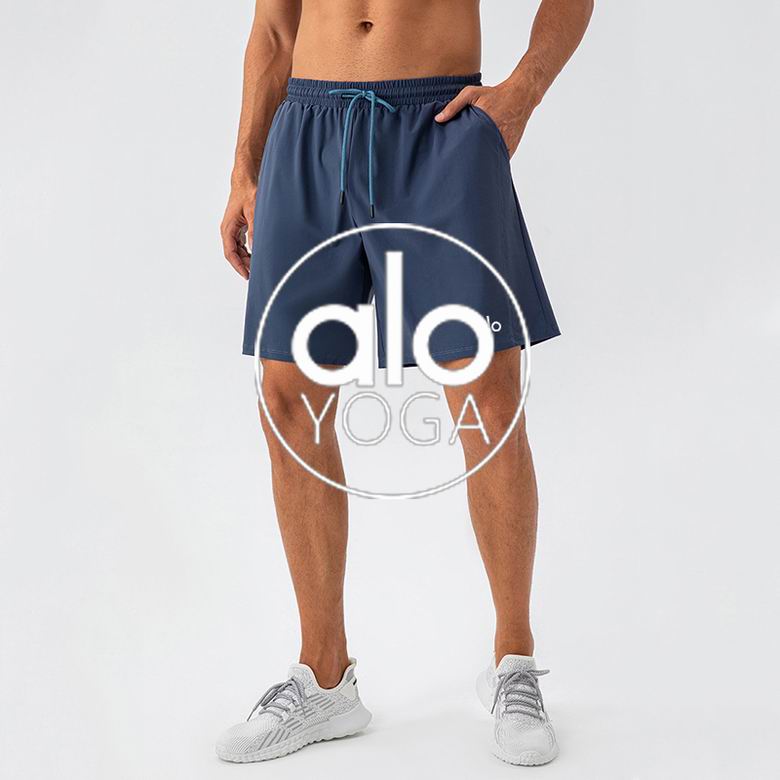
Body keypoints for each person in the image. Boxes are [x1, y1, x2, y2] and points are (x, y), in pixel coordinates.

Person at [217, 0, 592, 766]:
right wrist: (244, 164)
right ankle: (325, 678)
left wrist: (522, 92)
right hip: (308, 129)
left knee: (488, 399)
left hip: (439, 129)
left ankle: (514, 663)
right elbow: (276, 27)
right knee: (287, 398)